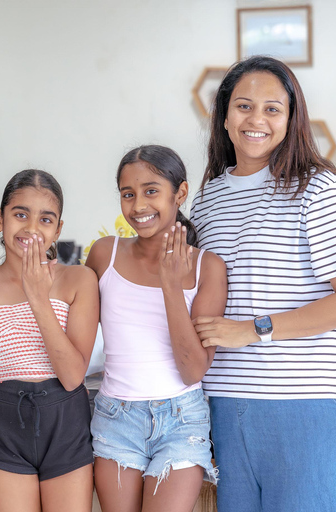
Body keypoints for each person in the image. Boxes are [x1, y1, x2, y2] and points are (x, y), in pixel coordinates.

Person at [189, 56, 336, 512]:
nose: (256, 119)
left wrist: (254, 329)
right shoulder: (208, 199)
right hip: (226, 404)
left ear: (291, 119)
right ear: (224, 116)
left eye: (272, 109)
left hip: (307, 402)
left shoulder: (319, 189)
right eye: (244, 106)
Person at [85, 146, 227, 512]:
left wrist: (171, 284)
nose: (138, 206)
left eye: (151, 191)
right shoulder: (104, 254)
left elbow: (193, 370)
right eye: (127, 194)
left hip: (181, 420)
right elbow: (68, 309)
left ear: (180, 193)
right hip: (116, 417)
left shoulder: (208, 268)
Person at [0, 169, 99, 512]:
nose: (32, 228)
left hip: (65, 422)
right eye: (20, 214)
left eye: (45, 219)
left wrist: (37, 297)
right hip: (2, 428)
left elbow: (72, 376)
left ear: (58, 229)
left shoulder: (79, 280)